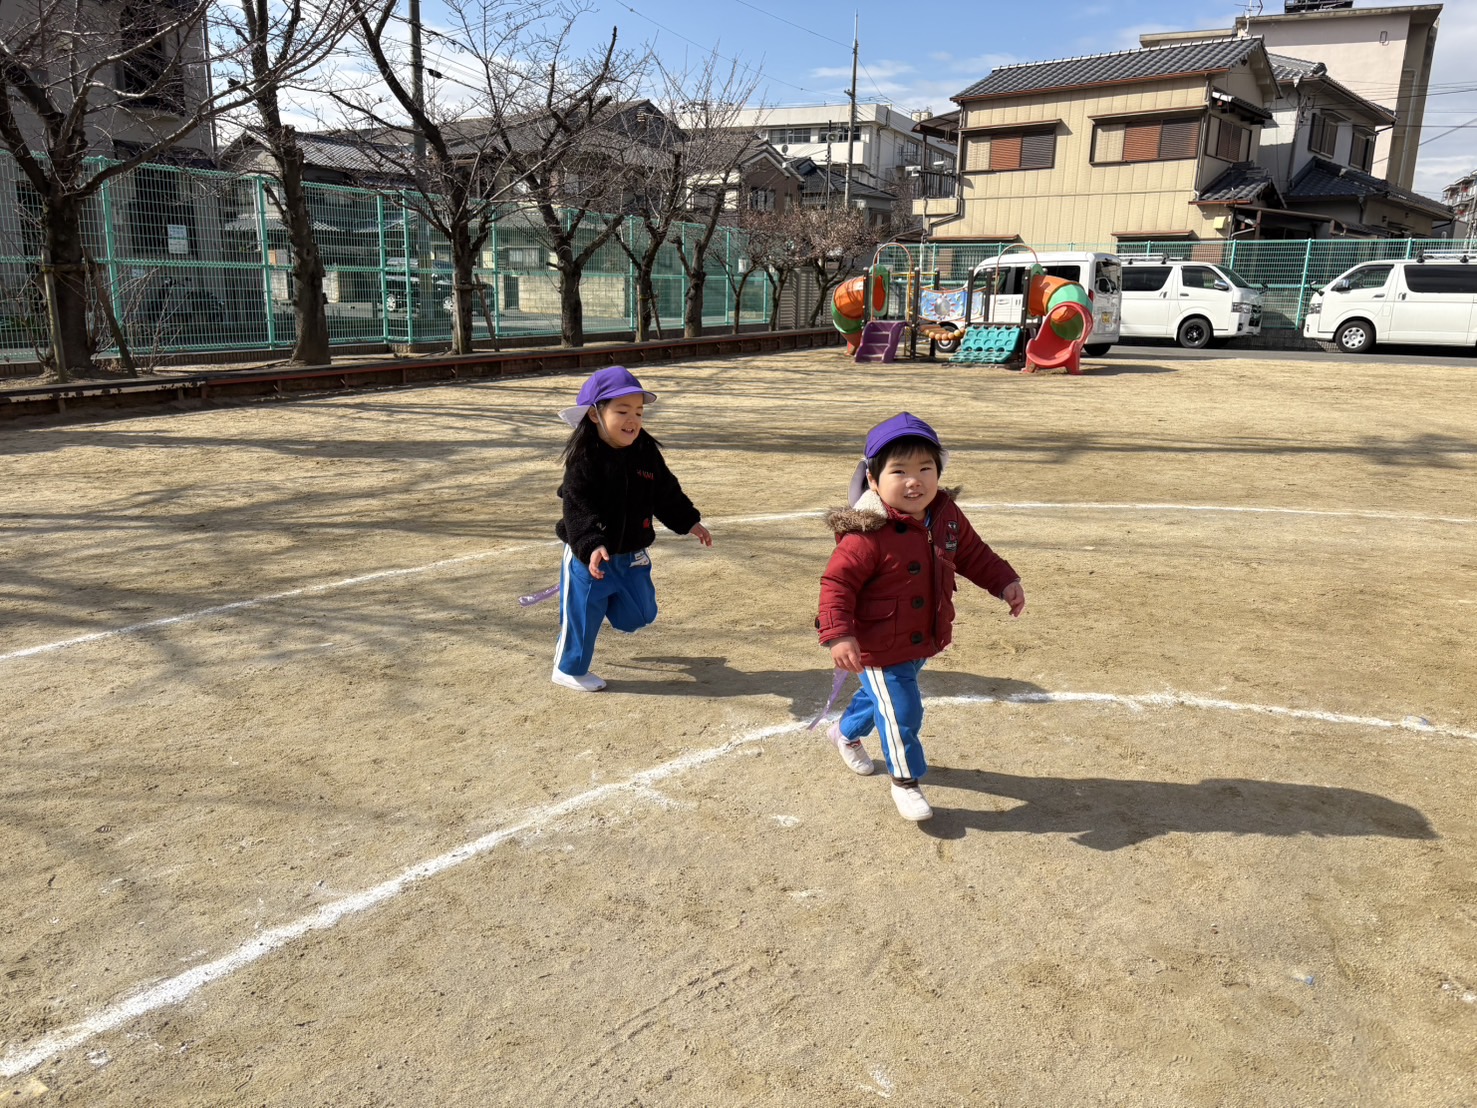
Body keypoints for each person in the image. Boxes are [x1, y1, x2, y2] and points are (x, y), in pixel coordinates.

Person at [817, 413, 1025, 821]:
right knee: (904, 710)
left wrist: (1005, 581)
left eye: (925, 469)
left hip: (921, 634)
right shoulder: (866, 534)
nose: (914, 481)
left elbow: (973, 554)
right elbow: (836, 584)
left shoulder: (944, 515)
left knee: (882, 697)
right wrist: (839, 633)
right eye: (899, 471)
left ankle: (844, 732)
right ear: (874, 480)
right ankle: (905, 781)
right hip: (877, 643)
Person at [551, 366, 712, 691]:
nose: (633, 420)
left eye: (638, 412)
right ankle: (569, 669)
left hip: (631, 552)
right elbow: (577, 507)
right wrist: (591, 542)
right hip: (590, 557)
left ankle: (605, 599)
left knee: (640, 615)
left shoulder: (645, 452)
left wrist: (689, 521)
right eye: (622, 411)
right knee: (583, 614)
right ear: (595, 414)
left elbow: (665, 491)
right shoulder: (584, 459)